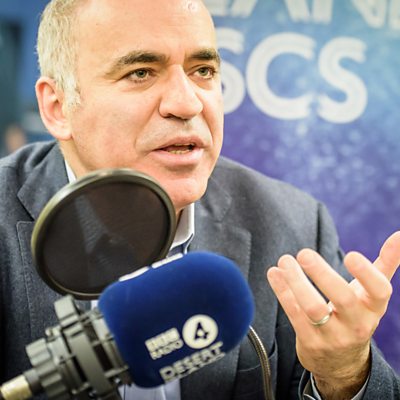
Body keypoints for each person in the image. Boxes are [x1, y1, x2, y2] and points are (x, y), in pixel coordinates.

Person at [0, 0, 399, 399]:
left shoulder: (293, 224)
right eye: (141, 73)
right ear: (57, 107)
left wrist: (343, 374)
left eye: (203, 71)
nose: (187, 103)